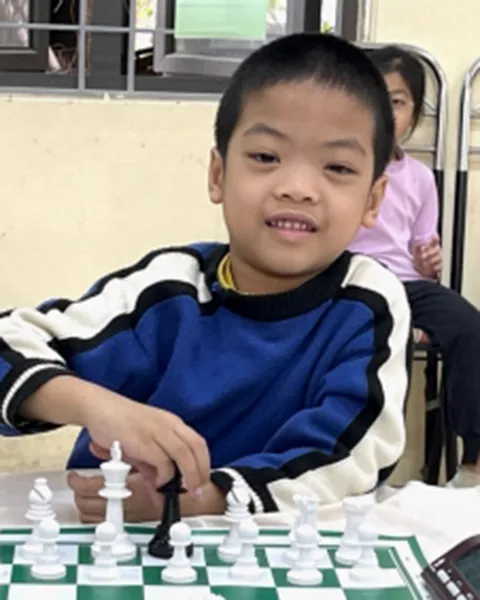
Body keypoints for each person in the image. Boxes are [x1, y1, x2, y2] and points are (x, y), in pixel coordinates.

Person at [0, 33, 411, 523]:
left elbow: (352, 457)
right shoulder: (167, 290)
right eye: (266, 157)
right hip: (118, 549)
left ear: (373, 200)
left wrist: (202, 500)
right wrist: (96, 406)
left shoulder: (368, 304)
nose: (298, 188)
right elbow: (9, 343)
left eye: (337, 167)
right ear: (217, 174)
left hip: (282, 551)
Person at [350, 45, 480, 488]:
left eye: (398, 101)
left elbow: (422, 255)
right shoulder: (342, 167)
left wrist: (428, 264)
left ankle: (473, 464)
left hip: (405, 283)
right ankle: (372, 475)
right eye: (374, 96)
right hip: (351, 281)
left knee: (470, 328)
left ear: (413, 114)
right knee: (391, 342)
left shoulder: (421, 179)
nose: (386, 111)